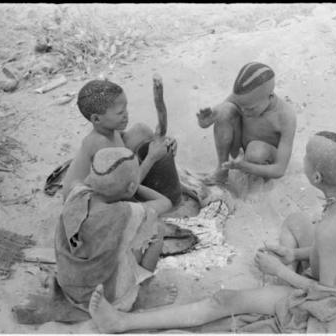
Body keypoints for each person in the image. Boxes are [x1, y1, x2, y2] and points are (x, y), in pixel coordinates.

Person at [86, 131, 336, 333]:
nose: (303, 160)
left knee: (224, 300)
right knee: (297, 221)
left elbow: (327, 294)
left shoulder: (330, 227)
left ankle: (121, 323)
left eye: (307, 158)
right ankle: (280, 279)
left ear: (316, 176)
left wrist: (280, 271)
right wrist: (295, 254)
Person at [55, 147, 173, 314]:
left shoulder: (76, 193)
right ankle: (143, 289)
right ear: (131, 187)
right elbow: (165, 203)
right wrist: (135, 185)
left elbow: (84, 183)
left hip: (70, 287)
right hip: (103, 297)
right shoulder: (124, 213)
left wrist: (123, 184)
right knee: (156, 227)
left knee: (119, 236)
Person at [61, 78, 177, 209]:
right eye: (120, 113)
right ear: (96, 119)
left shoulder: (108, 130)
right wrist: (151, 157)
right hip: (86, 204)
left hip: (112, 179)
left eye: (126, 109)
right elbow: (127, 189)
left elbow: (122, 139)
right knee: (162, 205)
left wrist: (163, 141)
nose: (126, 115)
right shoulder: (100, 144)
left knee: (141, 130)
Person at [197, 62, 297, 185]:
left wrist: (244, 166)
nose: (243, 111)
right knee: (225, 110)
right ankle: (222, 170)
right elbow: (217, 117)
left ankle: (256, 183)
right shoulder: (244, 98)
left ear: (270, 96)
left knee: (256, 151)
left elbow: (279, 170)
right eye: (241, 106)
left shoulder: (285, 117)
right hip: (240, 152)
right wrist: (205, 121)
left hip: (262, 157)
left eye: (250, 109)